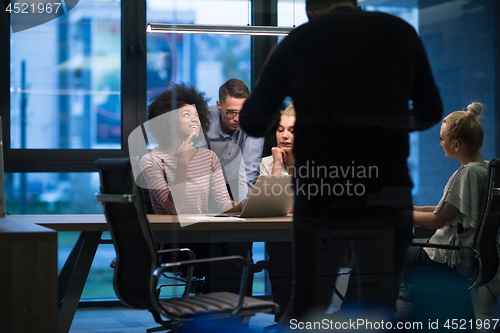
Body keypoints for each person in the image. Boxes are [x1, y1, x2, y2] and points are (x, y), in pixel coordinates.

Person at [240, 0, 443, 320]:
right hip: (386, 189)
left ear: (309, 10)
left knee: (309, 303)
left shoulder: (299, 41)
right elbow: (431, 111)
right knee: (379, 305)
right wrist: (386, 122)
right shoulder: (399, 32)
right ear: (356, 3)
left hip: (321, 193)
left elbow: (252, 121)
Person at [140, 83, 247, 295]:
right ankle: (215, 315)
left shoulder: (208, 157)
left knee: (238, 246)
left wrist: (246, 207)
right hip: (176, 241)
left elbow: (224, 205)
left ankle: (224, 315)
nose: (194, 119)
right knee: (227, 250)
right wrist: (183, 162)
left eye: (196, 114)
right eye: (186, 115)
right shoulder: (151, 160)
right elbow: (174, 209)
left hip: (205, 235)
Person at [404, 103, 488, 322]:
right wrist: (412, 209)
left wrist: (399, 216)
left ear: (457, 144)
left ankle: (358, 317)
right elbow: (450, 210)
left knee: (385, 250)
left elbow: (437, 220)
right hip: (463, 253)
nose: (440, 143)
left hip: (446, 257)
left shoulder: (465, 174)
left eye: (442, 139)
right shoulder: (483, 170)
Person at [259, 102, 296, 320]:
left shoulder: (313, 163)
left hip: (306, 235)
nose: (285, 136)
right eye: (280, 130)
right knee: (279, 252)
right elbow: (273, 204)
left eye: (292, 130)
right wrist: (276, 165)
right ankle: (282, 316)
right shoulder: (267, 162)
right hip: (279, 235)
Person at [206, 79, 265, 204]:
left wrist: (245, 210)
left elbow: (250, 170)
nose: (237, 119)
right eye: (231, 112)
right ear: (219, 105)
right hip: (209, 187)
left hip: (240, 185)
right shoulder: (204, 121)